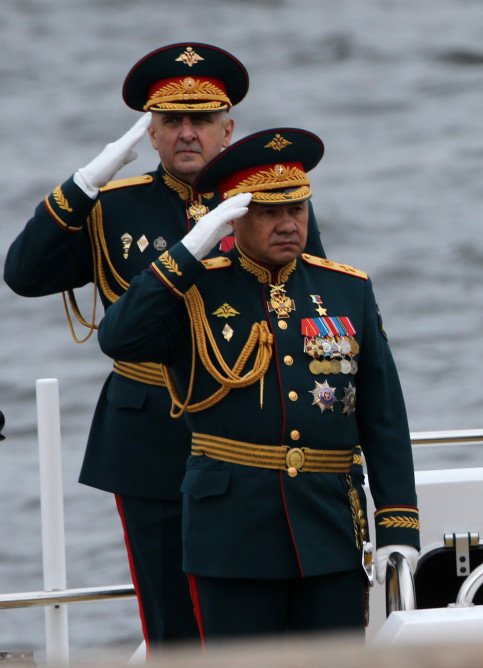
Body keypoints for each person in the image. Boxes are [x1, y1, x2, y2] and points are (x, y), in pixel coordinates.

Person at [3, 42, 322, 648]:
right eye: (171, 121)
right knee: (172, 624)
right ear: (149, 133)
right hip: (151, 436)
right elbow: (23, 273)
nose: (187, 134)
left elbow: (309, 310)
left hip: (244, 434)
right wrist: (88, 180)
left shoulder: (264, 206)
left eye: (201, 120)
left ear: (228, 128)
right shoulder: (114, 207)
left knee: (252, 619)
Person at [97, 128, 419, 640]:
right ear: (235, 216)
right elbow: (118, 337)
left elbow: (383, 416)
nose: (288, 224)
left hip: (328, 529)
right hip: (231, 534)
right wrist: (187, 252)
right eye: (269, 212)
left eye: (297, 209)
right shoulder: (196, 287)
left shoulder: (347, 288)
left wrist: (399, 527)